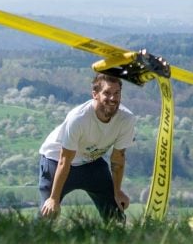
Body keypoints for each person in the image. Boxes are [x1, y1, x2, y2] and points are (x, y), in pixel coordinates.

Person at [38, 73, 135, 221]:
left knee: (115, 214)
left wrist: (117, 191)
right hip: (57, 161)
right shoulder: (79, 118)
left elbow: (118, 158)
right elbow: (65, 160)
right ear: (95, 94)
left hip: (91, 163)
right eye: (107, 93)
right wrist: (53, 198)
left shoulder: (126, 119)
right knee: (47, 215)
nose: (113, 98)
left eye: (117, 93)